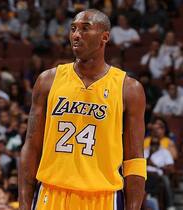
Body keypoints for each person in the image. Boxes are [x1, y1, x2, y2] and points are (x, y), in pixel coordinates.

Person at [19, 9, 146, 210]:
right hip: (51, 193)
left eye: (85, 29)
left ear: (104, 37)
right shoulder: (47, 81)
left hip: (102, 197)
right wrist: (24, 205)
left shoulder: (129, 89)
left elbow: (135, 158)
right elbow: (31, 146)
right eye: (73, 29)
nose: (76, 35)